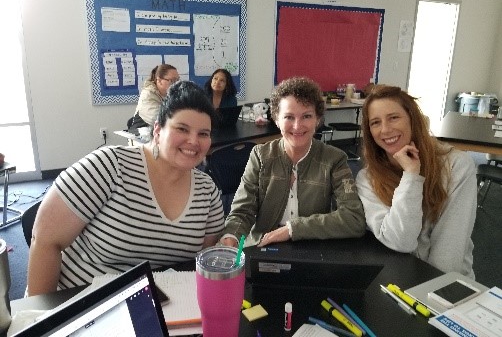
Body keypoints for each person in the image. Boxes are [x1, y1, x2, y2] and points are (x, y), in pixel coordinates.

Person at [27, 81, 224, 296]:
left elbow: (205, 262)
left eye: (203, 134)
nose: (193, 141)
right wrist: (41, 319)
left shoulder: (208, 191)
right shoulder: (110, 165)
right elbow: (45, 240)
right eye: (182, 129)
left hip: (156, 308)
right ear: (158, 130)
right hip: (80, 302)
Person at [220, 77, 365, 248]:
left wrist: (292, 229)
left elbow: (353, 218)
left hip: (311, 247)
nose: (297, 126)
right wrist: (231, 237)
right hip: (263, 245)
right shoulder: (260, 155)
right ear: (276, 119)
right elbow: (242, 211)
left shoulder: (334, 159)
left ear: (318, 119)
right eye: (289, 117)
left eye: (307, 116)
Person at [356, 85, 477, 278]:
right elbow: (401, 241)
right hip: (398, 278)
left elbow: (450, 246)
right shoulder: (367, 179)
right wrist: (411, 176)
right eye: (375, 122)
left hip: (446, 281)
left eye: (394, 117)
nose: (385, 129)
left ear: (413, 119)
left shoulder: (457, 165)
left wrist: (435, 292)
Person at [130, 64, 180, 129]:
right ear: (159, 80)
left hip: (161, 132)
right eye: (172, 80)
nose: (177, 84)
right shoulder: (148, 94)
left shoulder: (172, 94)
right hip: (143, 134)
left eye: (178, 80)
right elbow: (158, 118)